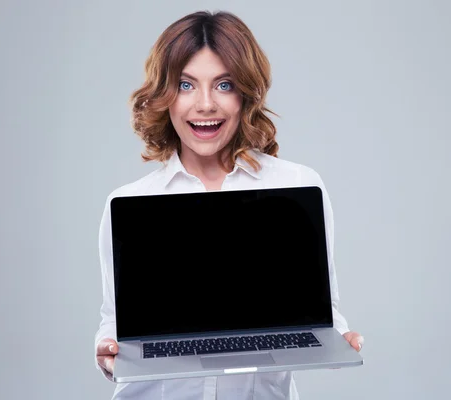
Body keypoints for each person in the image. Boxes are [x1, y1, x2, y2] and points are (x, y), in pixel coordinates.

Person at [94, 10, 364, 400]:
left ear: (246, 94)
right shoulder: (129, 203)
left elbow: (321, 307)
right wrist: (107, 353)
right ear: (164, 96)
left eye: (223, 84)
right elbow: (114, 320)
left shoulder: (297, 186)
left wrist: (335, 339)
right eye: (186, 85)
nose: (205, 104)